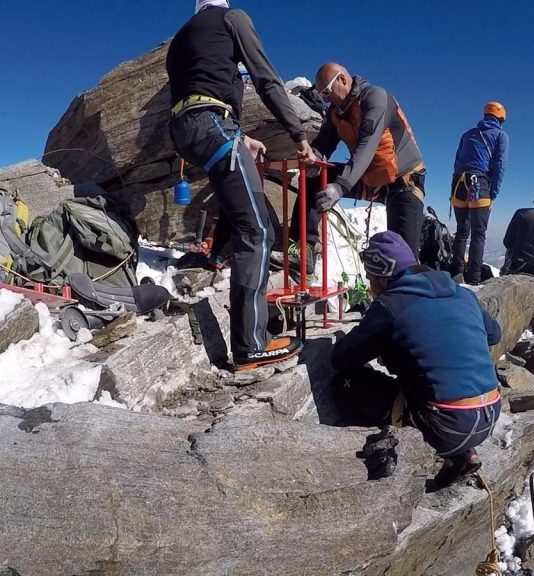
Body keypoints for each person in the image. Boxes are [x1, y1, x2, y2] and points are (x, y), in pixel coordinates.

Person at [167, 0, 316, 371]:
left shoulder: (181, 38)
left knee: (239, 202)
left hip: (185, 132)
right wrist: (299, 137)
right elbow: (265, 79)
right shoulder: (233, 19)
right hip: (211, 124)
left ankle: (217, 257)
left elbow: (203, 85)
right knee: (258, 231)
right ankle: (251, 344)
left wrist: (242, 137)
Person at [331, 231, 503, 491]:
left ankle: (389, 451)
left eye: (370, 277)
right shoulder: (462, 293)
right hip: (490, 413)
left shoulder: (391, 304)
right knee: (431, 383)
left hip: (447, 426)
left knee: (346, 382)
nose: (369, 283)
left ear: (382, 275)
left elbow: (342, 359)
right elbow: (494, 334)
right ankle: (462, 455)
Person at [281, 64, 426, 273]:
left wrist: (340, 187)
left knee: (403, 258)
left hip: (404, 182)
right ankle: (304, 251)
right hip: (369, 177)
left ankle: (410, 300)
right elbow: (323, 143)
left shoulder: (376, 97)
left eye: (327, 92)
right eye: (321, 94)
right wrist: (314, 157)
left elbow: (367, 145)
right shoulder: (336, 113)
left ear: (342, 79)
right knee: (315, 177)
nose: (325, 99)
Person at [450, 102, 509, 284]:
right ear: (500, 118)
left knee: (461, 232)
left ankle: (456, 273)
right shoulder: (501, 136)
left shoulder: (468, 135)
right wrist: (493, 194)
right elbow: (500, 167)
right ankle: (473, 279)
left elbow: (457, 162)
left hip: (458, 184)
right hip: (479, 184)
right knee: (478, 234)